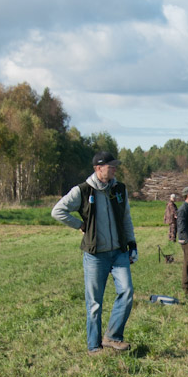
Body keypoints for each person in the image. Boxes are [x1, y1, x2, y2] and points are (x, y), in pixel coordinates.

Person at [52, 150, 137, 353]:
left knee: (127, 291)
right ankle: (94, 347)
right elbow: (57, 211)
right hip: (95, 255)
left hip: (118, 252)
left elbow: (126, 218)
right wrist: (80, 225)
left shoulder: (119, 189)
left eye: (115, 166)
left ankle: (112, 336)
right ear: (98, 168)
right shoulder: (82, 191)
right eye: (111, 166)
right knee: (94, 303)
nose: (115, 169)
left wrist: (132, 243)